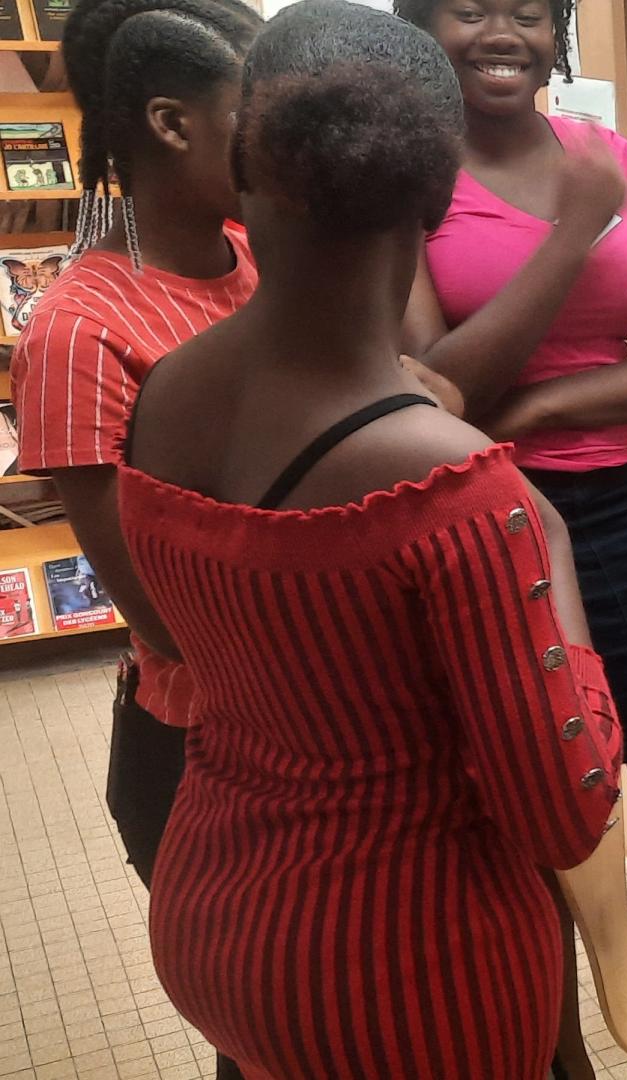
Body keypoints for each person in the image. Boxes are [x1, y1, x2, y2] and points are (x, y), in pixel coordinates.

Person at [109, 2, 622, 1074]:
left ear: (243, 166)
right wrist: (550, 546)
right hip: (403, 964)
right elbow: (562, 817)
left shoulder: (166, 395)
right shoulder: (456, 492)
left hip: (212, 908)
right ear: (436, 193)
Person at [397, 0, 627, 944]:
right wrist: (573, 230)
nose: (504, 33)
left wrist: (535, 409)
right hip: (486, 514)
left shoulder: (609, 159)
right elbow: (436, 385)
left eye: (530, 13)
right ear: (421, 24)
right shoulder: (407, 176)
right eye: (470, 10)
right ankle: (550, 1023)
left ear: (557, 35)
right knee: (521, 809)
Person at [7, 2, 264, 1071]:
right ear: (170, 122)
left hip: (300, 714)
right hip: (211, 740)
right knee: (264, 1015)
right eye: (259, 109)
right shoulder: (81, 328)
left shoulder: (256, 256)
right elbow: (157, 614)